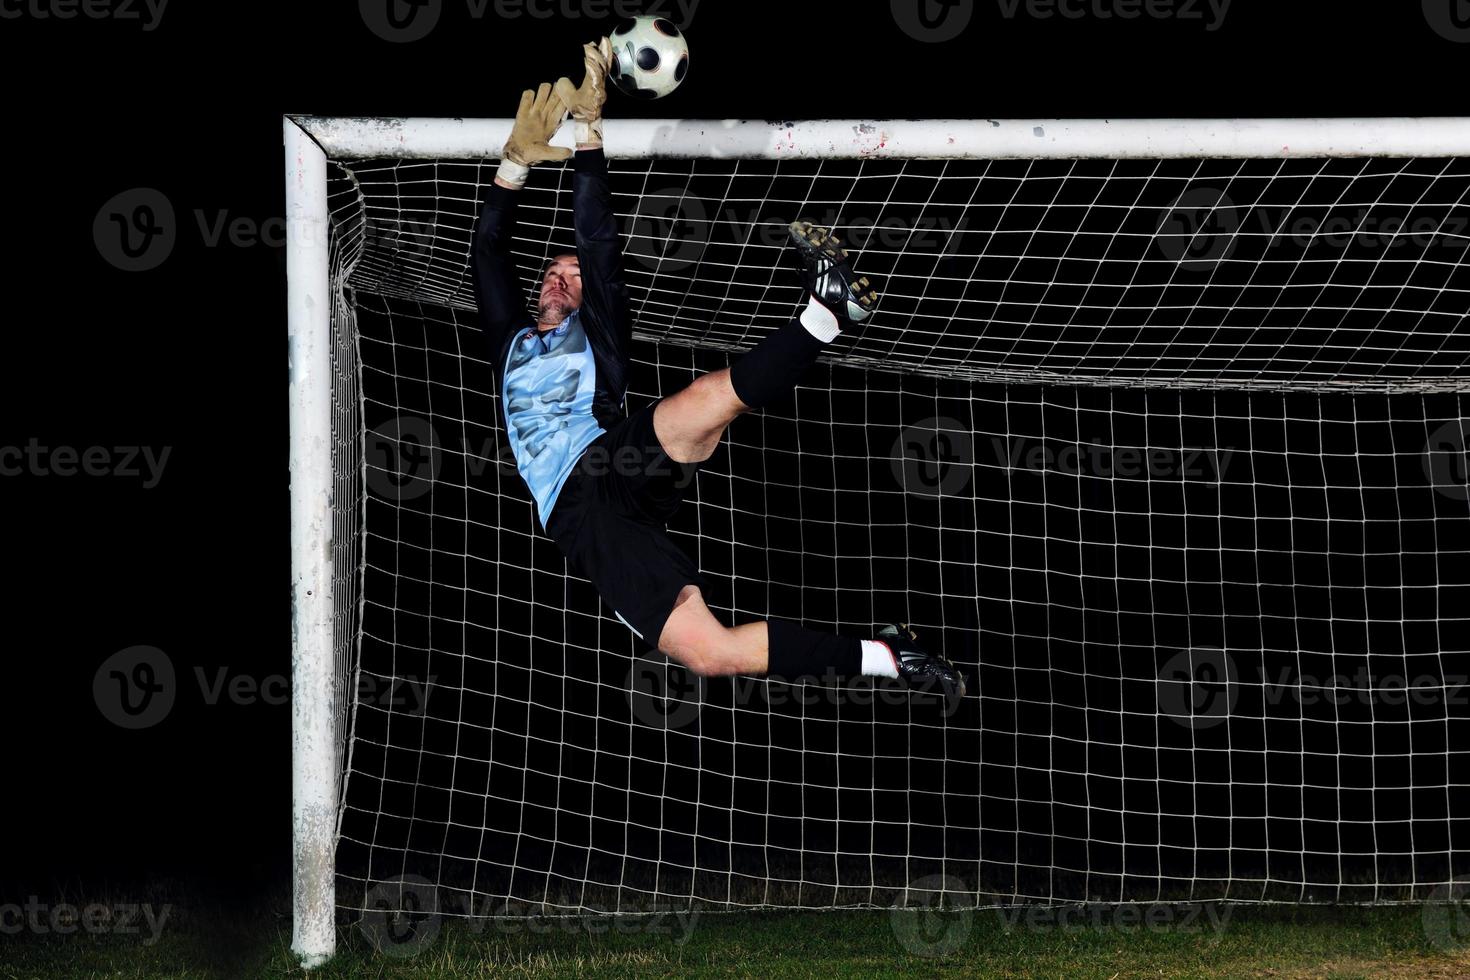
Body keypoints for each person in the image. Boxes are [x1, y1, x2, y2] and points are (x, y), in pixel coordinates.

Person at [470, 40, 965, 709]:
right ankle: (890, 658)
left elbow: (597, 241)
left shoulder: (600, 333)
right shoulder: (511, 343)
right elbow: (488, 252)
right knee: (711, 652)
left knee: (709, 403)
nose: (562, 277)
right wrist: (513, 164)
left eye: (573, 276)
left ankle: (827, 314)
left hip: (611, 460)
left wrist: (589, 136)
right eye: (554, 272)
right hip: (586, 524)